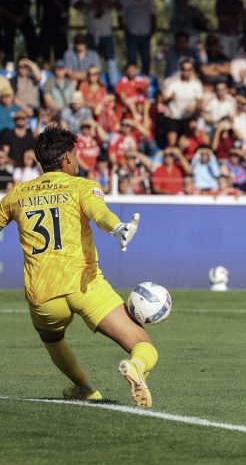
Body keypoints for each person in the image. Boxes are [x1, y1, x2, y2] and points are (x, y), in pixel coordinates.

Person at [0, 125, 157, 407]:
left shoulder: (17, 194)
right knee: (143, 344)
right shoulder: (82, 186)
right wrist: (118, 227)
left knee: (52, 339)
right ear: (67, 158)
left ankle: (83, 387)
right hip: (85, 284)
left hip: (43, 293)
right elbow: (100, 214)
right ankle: (136, 366)